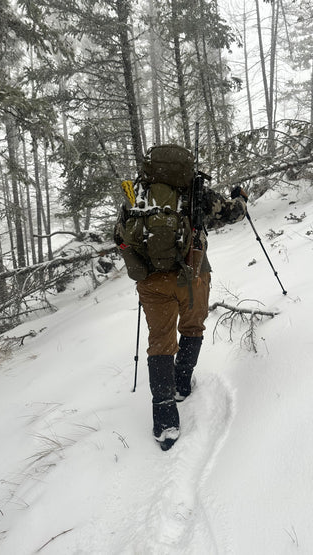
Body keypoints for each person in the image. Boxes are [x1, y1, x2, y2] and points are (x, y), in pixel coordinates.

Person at [115, 149, 248, 451]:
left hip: (151, 281)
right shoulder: (195, 190)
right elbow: (232, 213)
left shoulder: (137, 192)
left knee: (160, 341)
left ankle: (164, 422)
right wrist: (240, 197)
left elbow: (120, 233)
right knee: (192, 327)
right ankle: (182, 383)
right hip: (194, 271)